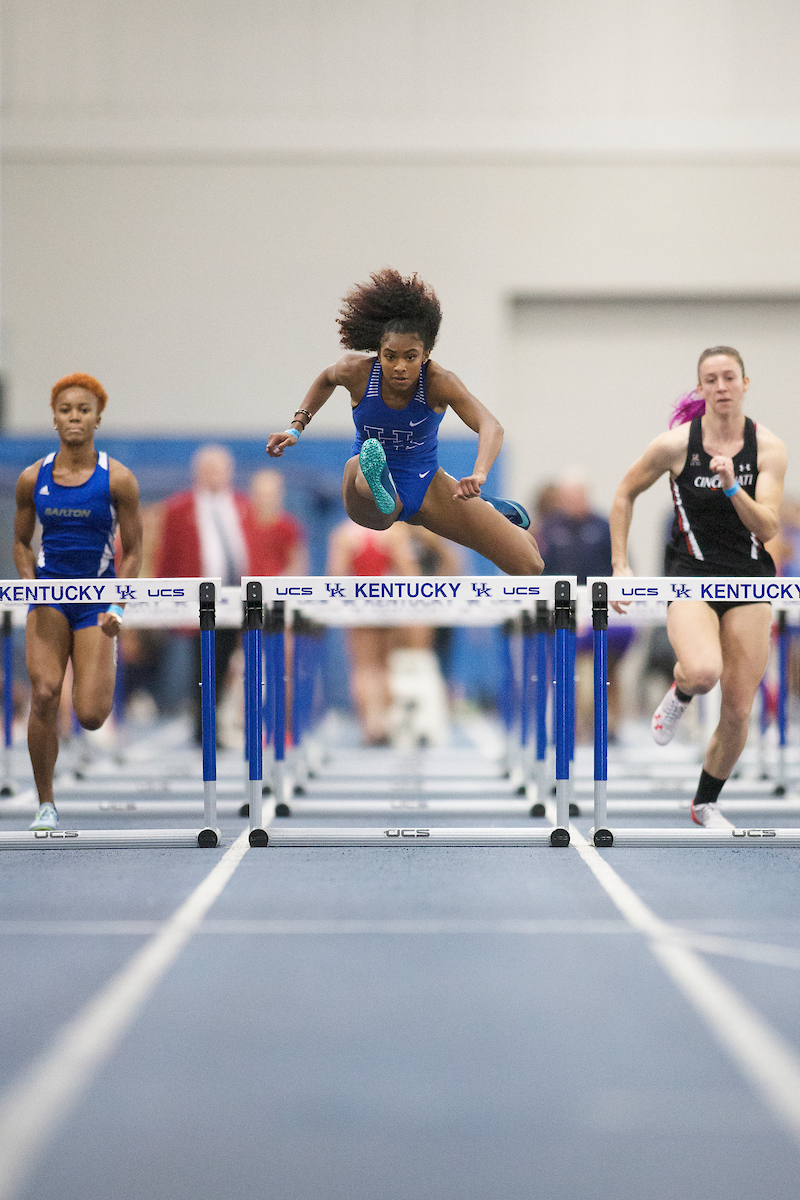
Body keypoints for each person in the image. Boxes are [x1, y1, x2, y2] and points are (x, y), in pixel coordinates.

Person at [609, 346, 786, 827]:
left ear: (745, 384)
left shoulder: (767, 447)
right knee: (705, 670)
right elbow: (624, 494)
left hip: (750, 580)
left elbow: (768, 527)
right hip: (691, 577)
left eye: (730, 377)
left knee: (737, 710)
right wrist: (620, 565)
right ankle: (683, 689)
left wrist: (732, 486)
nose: (722, 386)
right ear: (701, 389)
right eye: (711, 379)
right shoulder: (675, 445)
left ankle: (705, 801)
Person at [266, 269, 543, 577]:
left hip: (427, 485)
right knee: (377, 500)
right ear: (378, 353)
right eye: (390, 356)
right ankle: (379, 479)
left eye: (410, 357)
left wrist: (479, 474)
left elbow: (491, 426)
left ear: (425, 355)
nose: (399, 366)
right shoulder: (355, 371)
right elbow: (326, 379)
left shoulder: (439, 382)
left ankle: (490, 510)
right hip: (364, 488)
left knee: (530, 564)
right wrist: (296, 427)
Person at [13, 373, 143, 830]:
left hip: (97, 599)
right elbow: (21, 542)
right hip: (49, 597)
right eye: (66, 410)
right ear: (54, 418)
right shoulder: (33, 477)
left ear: (97, 418)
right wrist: (31, 585)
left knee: (89, 715)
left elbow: (134, 552)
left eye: (83, 410)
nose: (74, 417)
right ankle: (45, 802)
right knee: (45, 694)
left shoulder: (119, 478)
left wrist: (118, 607)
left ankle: (98, 664)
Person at [154, 445, 252, 744]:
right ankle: (204, 727)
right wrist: (164, 599)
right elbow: (166, 557)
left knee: (228, 663)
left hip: (239, 598)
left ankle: (222, 721)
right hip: (199, 601)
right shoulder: (178, 508)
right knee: (203, 664)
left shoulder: (242, 505)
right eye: (209, 469)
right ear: (197, 473)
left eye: (220, 469)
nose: (215, 475)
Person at [538, 475, 635, 741]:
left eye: (578, 496)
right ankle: (574, 723)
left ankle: (611, 724)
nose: (573, 502)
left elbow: (623, 566)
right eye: (568, 497)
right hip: (565, 609)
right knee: (571, 664)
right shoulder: (549, 529)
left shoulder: (604, 527)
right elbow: (540, 571)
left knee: (608, 666)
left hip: (604, 610)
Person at [326, 519, 419, 745]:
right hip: (386, 606)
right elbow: (409, 573)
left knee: (363, 668)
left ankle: (370, 725)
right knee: (383, 666)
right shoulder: (395, 532)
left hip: (360, 608)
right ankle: (383, 723)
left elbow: (335, 576)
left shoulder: (344, 535)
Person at [245, 469, 308, 577]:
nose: (265, 501)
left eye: (270, 496)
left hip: (275, 585)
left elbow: (296, 564)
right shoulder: (241, 524)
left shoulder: (287, 527)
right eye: (261, 495)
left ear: (279, 496)